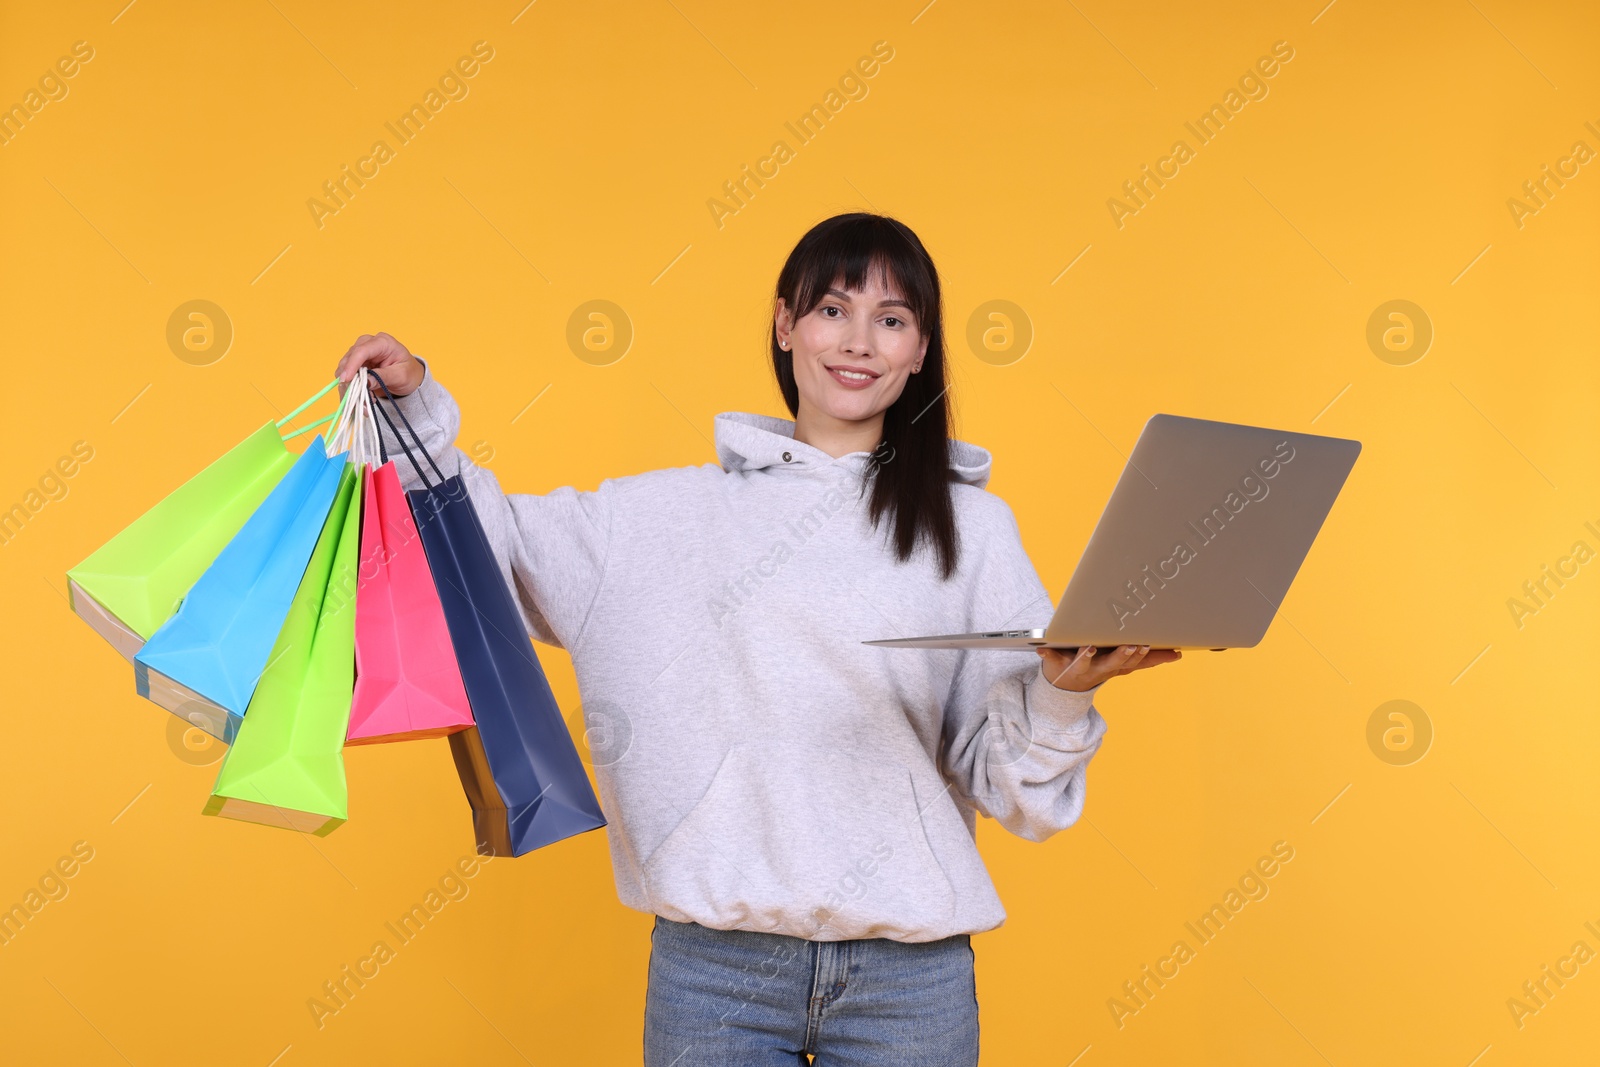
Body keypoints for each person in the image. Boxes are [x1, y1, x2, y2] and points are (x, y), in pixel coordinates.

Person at [337, 212, 1180, 1066]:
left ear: (921, 349)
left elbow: (1017, 795)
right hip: (716, 973)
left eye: (891, 319)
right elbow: (481, 549)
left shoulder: (971, 530)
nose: (858, 341)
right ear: (785, 324)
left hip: (909, 985)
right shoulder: (659, 518)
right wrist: (415, 414)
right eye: (831, 310)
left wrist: (1066, 693)